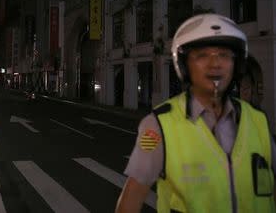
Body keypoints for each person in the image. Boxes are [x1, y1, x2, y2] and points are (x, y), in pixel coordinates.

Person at [115, 14, 276, 213]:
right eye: (202, 55)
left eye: (224, 55)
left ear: (237, 65)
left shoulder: (258, 120)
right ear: (184, 66)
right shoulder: (157, 125)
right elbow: (131, 198)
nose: (215, 64)